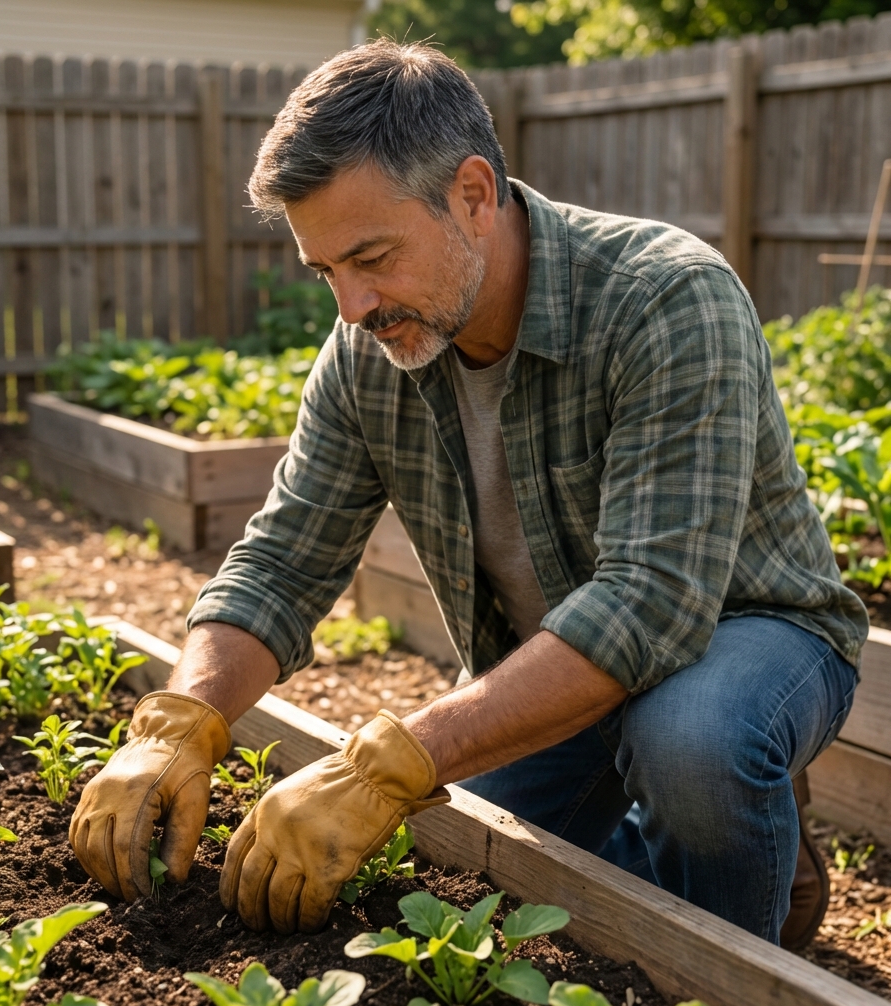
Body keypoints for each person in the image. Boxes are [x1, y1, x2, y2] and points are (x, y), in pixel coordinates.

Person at [69, 40, 868, 948]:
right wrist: (183, 718)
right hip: (554, 663)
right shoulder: (367, 355)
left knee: (693, 742)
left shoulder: (666, 298)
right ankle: (728, 850)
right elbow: (284, 558)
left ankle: (746, 958)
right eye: (326, 270)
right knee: (452, 884)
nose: (352, 307)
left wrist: (390, 762)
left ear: (474, 196)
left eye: (372, 256)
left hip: (745, 634)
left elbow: (651, 605)